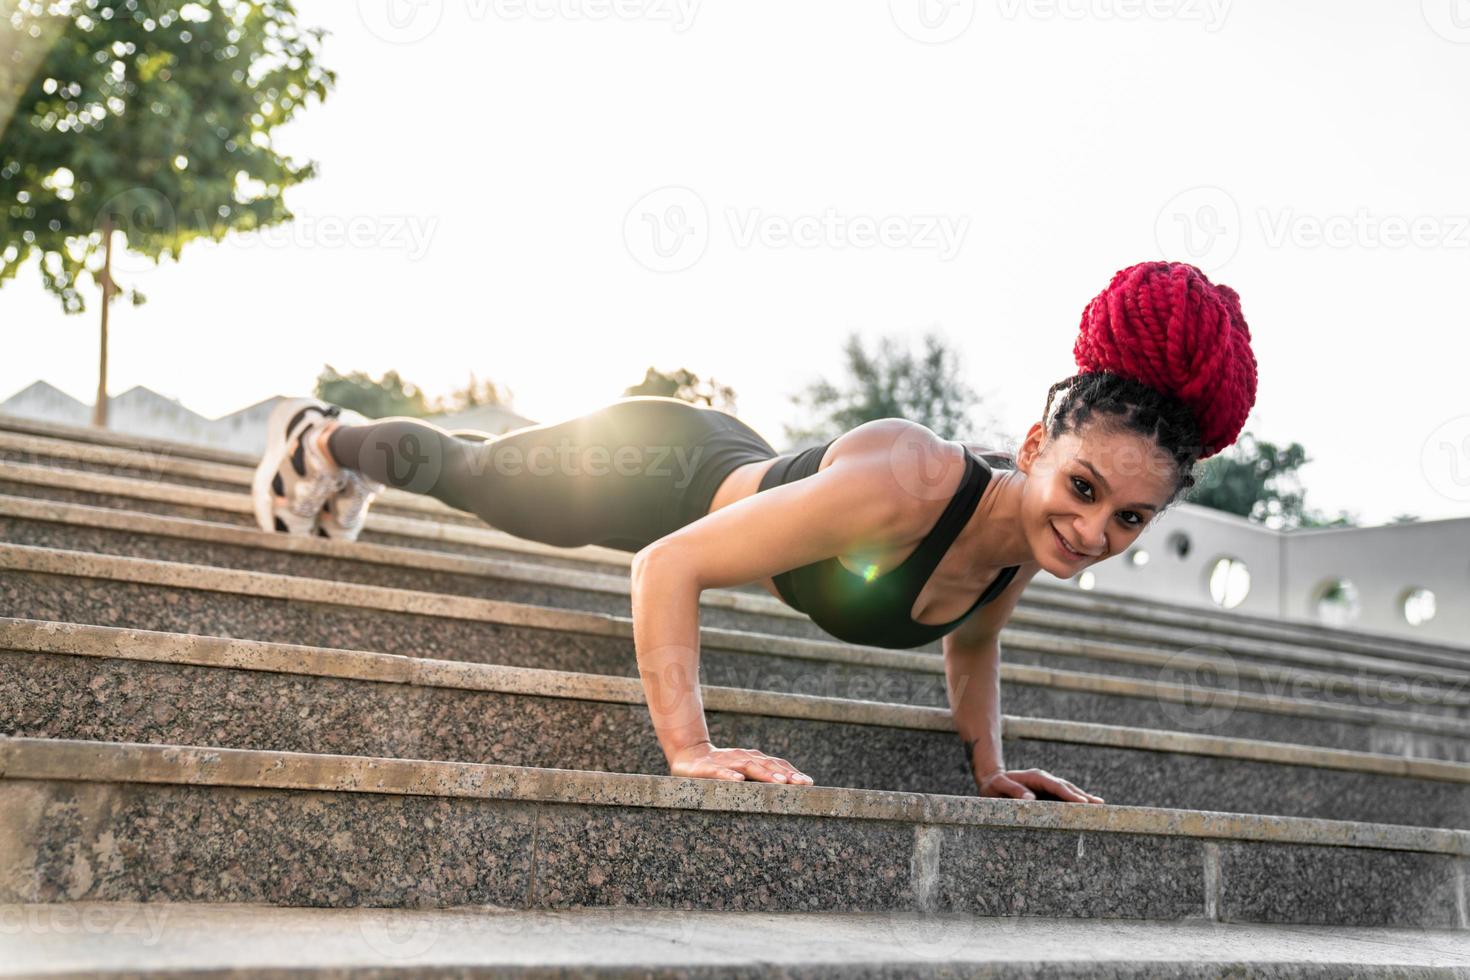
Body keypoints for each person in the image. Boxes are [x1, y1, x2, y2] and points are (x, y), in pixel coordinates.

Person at [252, 260, 1259, 801]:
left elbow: (975, 641)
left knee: (480, 473)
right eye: (1080, 486)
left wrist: (989, 765)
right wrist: (690, 748)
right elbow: (667, 562)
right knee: (475, 476)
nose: (1090, 530)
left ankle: (332, 444)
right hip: (657, 470)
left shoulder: (1021, 548)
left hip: (732, 464)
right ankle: (322, 433)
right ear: (1034, 442)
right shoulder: (916, 481)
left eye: (1129, 516)